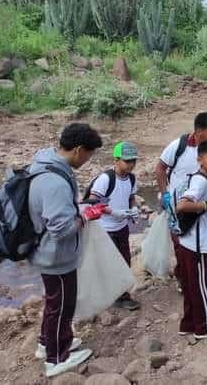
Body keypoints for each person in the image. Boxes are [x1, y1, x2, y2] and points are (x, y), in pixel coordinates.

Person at [28, 123, 107, 377]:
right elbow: (61, 229)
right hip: (55, 256)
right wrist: (86, 216)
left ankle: (46, 342)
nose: (87, 161)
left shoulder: (45, 165)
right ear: (78, 150)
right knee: (62, 304)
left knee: (54, 303)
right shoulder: (54, 181)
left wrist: (80, 208)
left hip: (44, 250)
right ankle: (57, 357)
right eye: (88, 155)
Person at [155, 112, 207, 288]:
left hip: (200, 205)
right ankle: (184, 279)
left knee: (198, 241)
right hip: (177, 205)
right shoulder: (178, 146)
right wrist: (165, 194)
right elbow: (160, 169)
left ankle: (195, 279)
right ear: (198, 132)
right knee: (180, 242)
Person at [174, 140, 207, 339]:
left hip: (188, 242)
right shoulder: (200, 181)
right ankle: (204, 327)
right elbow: (182, 206)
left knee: (191, 285)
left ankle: (188, 324)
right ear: (200, 160)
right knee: (203, 285)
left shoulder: (203, 178)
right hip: (196, 244)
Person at [86, 141, 141, 311]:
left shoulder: (131, 178)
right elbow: (93, 202)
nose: (131, 165)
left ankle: (120, 295)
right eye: (127, 161)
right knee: (108, 263)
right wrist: (113, 212)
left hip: (121, 227)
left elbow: (131, 197)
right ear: (116, 160)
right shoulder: (105, 179)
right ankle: (114, 296)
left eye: (133, 161)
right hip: (105, 229)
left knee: (124, 261)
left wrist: (133, 209)